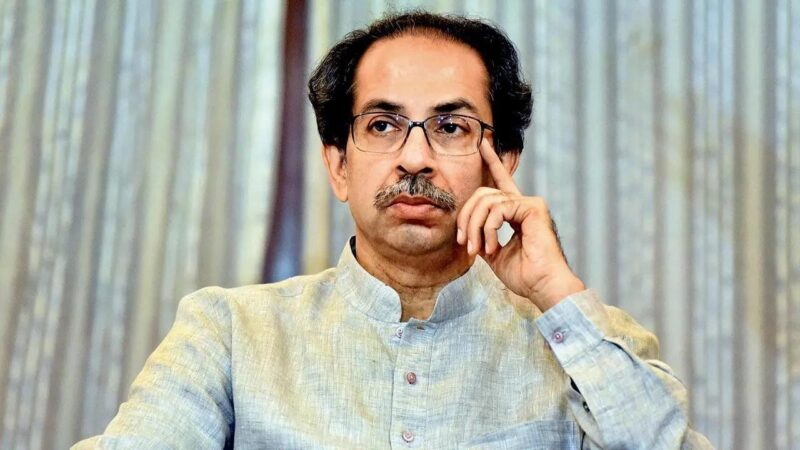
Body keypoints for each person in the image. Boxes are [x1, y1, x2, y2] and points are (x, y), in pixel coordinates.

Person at [74, 11, 713, 449]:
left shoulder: (585, 343)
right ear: (338, 165)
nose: (414, 158)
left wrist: (554, 292)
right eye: (382, 125)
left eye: (451, 126)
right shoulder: (231, 333)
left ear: (503, 162)